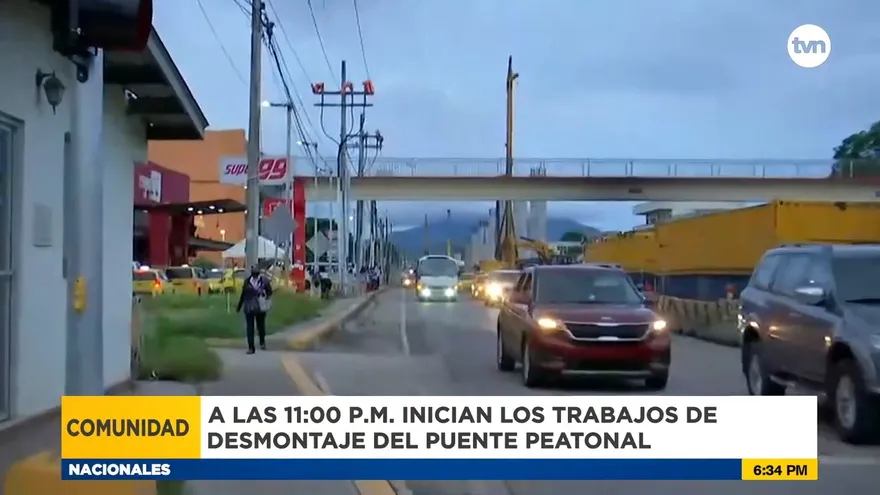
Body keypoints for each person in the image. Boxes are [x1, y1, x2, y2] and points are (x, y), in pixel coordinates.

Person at [236, 265, 273, 354]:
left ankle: (262, 341)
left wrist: (264, 295)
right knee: (250, 327)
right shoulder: (247, 282)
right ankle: (251, 347)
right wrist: (239, 306)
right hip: (249, 306)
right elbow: (243, 295)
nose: (255, 275)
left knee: (261, 326)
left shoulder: (264, 281)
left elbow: (269, 292)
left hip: (260, 306)